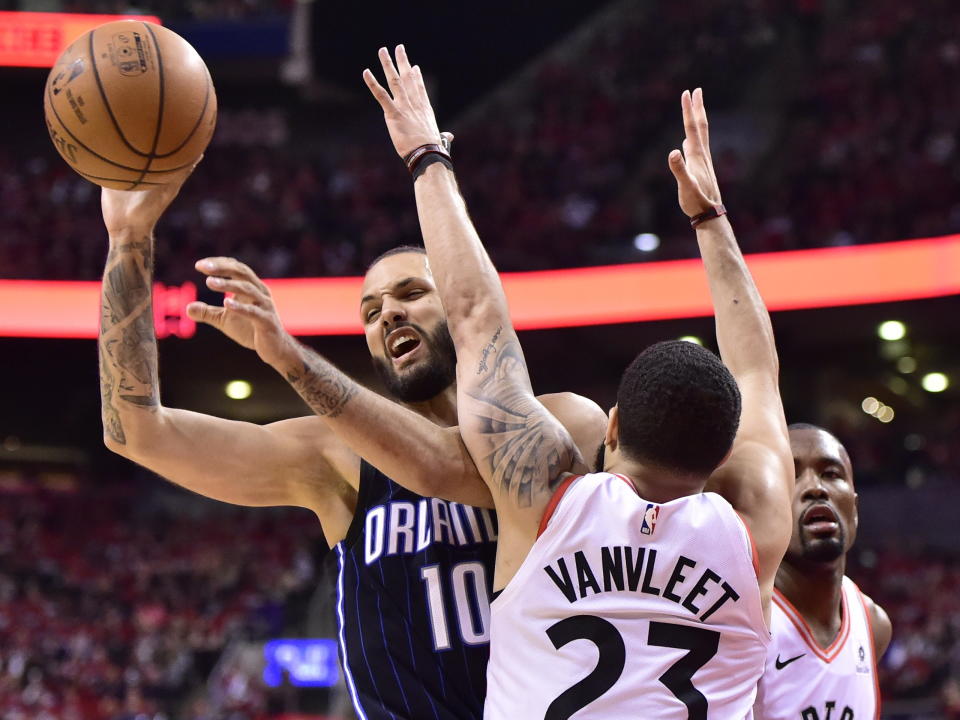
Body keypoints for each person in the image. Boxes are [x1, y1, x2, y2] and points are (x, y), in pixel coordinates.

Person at [364, 46, 793, 717]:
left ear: (613, 424)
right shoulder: (758, 523)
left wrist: (427, 157)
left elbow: (477, 318)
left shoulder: (546, 498)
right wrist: (712, 224)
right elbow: (757, 372)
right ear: (723, 453)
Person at [97, 174, 605, 717]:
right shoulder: (335, 455)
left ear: (460, 302)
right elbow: (133, 429)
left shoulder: (566, 422)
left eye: (411, 293)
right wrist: (129, 238)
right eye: (370, 311)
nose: (388, 313)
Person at [754, 424, 892, 720]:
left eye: (831, 474)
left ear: (853, 508)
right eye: (791, 476)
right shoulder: (741, 616)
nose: (816, 487)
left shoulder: (874, 625)